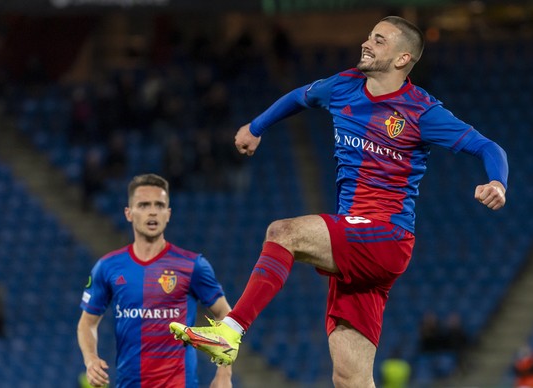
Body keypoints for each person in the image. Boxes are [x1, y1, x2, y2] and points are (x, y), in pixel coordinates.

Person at [170, 16, 508, 387]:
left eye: (379, 40)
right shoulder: (343, 85)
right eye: (369, 36)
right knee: (350, 379)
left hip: (386, 236)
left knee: (283, 232)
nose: (367, 43)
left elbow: (487, 146)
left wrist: (497, 182)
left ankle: (230, 332)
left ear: (401, 58)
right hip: (356, 244)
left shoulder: (422, 111)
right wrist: (255, 127)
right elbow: (299, 97)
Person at [77, 173, 233, 388]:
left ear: (168, 214)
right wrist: (90, 359)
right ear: (129, 213)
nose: (152, 211)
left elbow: (226, 316)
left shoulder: (192, 265)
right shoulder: (107, 267)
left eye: (159, 205)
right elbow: (87, 322)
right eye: (143, 205)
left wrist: (224, 374)